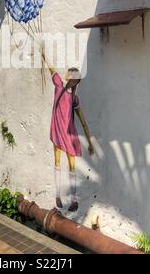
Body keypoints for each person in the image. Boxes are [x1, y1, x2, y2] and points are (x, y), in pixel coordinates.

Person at [42, 54, 95, 212]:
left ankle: (58, 194)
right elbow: (84, 123)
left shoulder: (58, 86)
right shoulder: (75, 99)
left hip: (59, 133)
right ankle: (73, 199)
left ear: (67, 77)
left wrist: (43, 53)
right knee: (72, 167)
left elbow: (50, 67)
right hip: (70, 135)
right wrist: (90, 144)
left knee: (57, 162)